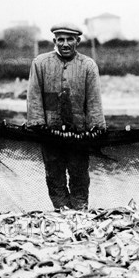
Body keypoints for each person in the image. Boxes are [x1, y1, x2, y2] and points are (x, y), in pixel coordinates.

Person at [27, 23, 105, 210]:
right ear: (54, 41)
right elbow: (34, 95)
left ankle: (80, 209)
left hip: (79, 132)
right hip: (50, 132)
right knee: (54, 174)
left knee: (79, 173)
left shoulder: (88, 65)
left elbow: (94, 99)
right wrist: (38, 123)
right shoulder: (40, 63)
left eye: (70, 39)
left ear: (77, 41)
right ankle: (61, 209)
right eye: (60, 39)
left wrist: (96, 127)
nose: (65, 43)